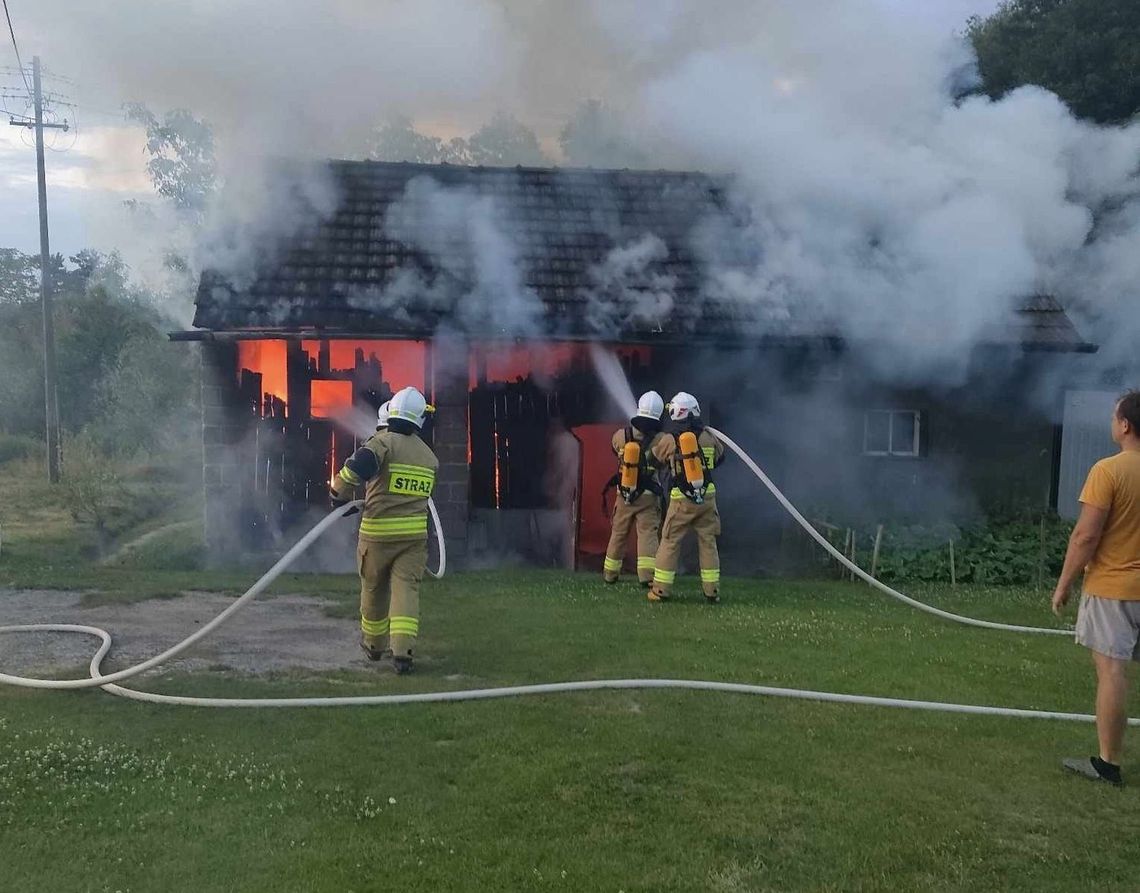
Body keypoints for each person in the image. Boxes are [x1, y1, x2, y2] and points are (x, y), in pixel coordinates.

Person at [1053, 390, 1140, 786]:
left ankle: (1107, 764)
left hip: (1114, 588)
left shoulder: (1108, 470)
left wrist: (1064, 584)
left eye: (1113, 417)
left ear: (1124, 425)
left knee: (1111, 671)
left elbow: (1085, 537)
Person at [330, 387, 438, 674]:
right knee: (406, 591)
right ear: (418, 419)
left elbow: (357, 467)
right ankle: (403, 652)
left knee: (374, 589)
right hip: (413, 540)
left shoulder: (382, 443)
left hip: (377, 535)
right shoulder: (428, 456)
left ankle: (374, 646)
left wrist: (338, 493)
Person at [649, 392, 726, 604]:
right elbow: (720, 458)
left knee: (670, 541)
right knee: (708, 543)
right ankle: (712, 591)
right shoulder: (709, 437)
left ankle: (660, 590)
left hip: (681, 499)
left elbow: (652, 460)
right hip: (707, 498)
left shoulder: (668, 439)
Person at [602, 391, 667, 586]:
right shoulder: (662, 439)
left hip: (624, 494)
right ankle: (647, 577)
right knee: (648, 534)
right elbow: (665, 463)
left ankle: (610, 574)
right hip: (648, 496)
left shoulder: (621, 435)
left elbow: (615, 450)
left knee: (618, 533)